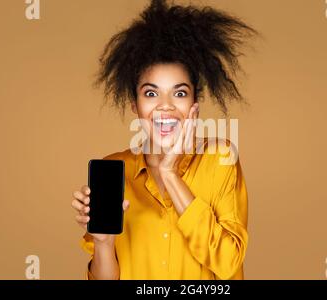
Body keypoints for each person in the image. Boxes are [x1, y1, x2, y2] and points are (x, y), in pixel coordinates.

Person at [71, 0, 257, 280]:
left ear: (196, 102)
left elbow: (228, 262)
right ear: (134, 104)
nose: (165, 106)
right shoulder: (115, 170)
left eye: (180, 93)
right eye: (151, 93)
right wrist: (103, 242)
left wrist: (170, 174)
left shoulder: (220, 158)